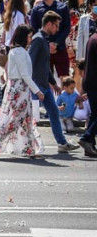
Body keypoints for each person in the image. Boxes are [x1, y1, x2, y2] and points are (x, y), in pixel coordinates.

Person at [0, 25, 46, 159]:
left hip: (18, 88)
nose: (31, 39)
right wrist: (37, 91)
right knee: (17, 119)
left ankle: (29, 149)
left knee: (24, 119)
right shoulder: (20, 51)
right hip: (20, 89)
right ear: (23, 37)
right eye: (29, 36)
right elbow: (25, 75)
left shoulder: (16, 51)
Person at [30, 12, 79, 153]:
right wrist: (34, 87)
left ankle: (62, 143)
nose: (57, 29)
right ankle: (30, 145)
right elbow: (30, 63)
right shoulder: (38, 40)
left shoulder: (44, 39)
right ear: (49, 24)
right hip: (37, 86)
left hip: (44, 86)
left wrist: (53, 83)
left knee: (53, 112)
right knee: (32, 117)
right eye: (56, 26)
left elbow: (44, 65)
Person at [77, 31, 97, 157]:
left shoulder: (92, 38)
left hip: (90, 81)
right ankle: (86, 138)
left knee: (95, 114)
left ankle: (89, 146)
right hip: (95, 82)